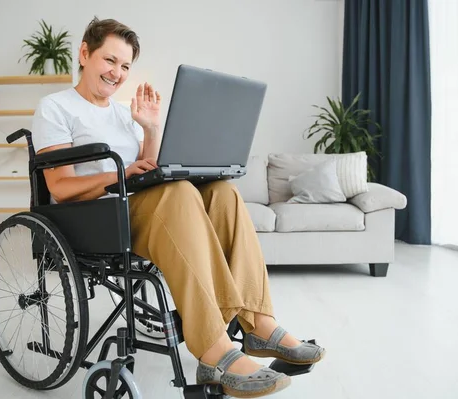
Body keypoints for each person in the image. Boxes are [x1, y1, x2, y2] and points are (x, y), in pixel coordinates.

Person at [31, 17, 325, 398]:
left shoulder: (123, 114)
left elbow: (146, 170)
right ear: (84, 54)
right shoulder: (55, 107)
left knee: (222, 191)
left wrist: (151, 130)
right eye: (109, 60)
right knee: (180, 193)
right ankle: (214, 350)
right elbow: (60, 186)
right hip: (91, 218)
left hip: (134, 209)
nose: (117, 73)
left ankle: (259, 323)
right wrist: (118, 178)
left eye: (124, 66)